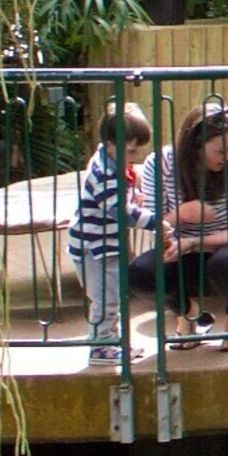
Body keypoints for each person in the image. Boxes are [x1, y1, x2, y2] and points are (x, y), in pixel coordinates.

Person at [138, 101, 228, 351]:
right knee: (139, 273)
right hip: (181, 253)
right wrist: (179, 214)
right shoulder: (159, 163)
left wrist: (193, 242)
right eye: (222, 151)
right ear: (195, 147)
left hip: (224, 251)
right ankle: (190, 316)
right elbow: (151, 220)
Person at [71, 104, 153, 367]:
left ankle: (112, 341)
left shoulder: (112, 162)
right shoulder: (104, 174)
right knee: (105, 297)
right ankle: (100, 345)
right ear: (109, 144)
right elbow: (121, 212)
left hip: (106, 243)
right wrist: (153, 221)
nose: (135, 156)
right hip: (94, 247)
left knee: (114, 294)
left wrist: (134, 194)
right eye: (131, 151)